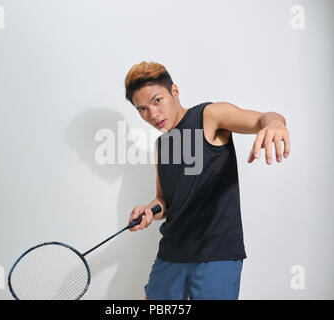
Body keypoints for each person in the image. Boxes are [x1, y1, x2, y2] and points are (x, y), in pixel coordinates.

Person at [124, 61, 290, 300]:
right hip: (172, 253)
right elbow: (164, 201)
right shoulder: (161, 146)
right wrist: (148, 211)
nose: (153, 114)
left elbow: (264, 118)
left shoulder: (208, 116)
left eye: (157, 100)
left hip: (216, 254)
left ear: (174, 92)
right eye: (142, 109)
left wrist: (275, 123)